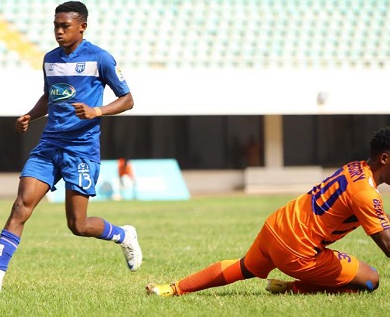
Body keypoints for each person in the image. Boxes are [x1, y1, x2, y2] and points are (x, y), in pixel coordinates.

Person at [0, 1, 142, 292]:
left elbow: (128, 99)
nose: (58, 31)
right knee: (21, 207)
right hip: (49, 144)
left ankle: (124, 235)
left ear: (82, 27)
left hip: (81, 149)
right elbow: (50, 96)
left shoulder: (101, 58)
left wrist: (97, 111)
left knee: (78, 225)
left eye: (65, 26)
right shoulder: (50, 59)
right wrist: (30, 115)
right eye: (56, 26)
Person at [147, 126, 390, 296]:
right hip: (298, 251)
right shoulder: (366, 194)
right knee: (370, 280)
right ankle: (293, 288)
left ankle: (172, 289)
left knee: (242, 267)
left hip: (276, 226)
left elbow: (371, 213)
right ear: (385, 158)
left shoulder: (354, 168)